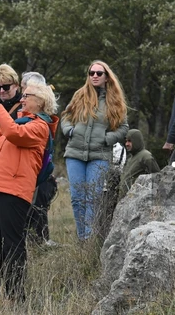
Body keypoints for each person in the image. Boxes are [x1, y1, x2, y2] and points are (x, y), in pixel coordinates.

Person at [0, 82, 59, 301]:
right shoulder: (19, 122)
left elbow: (13, 133)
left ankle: (14, 296)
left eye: (26, 96)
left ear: (40, 101)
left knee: (12, 244)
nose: (21, 99)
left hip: (14, 191)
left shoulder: (40, 127)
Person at [61, 61, 129, 240]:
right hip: (75, 153)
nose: (95, 76)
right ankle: (82, 237)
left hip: (99, 155)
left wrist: (107, 139)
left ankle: (90, 239)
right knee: (77, 198)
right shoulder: (80, 95)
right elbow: (66, 116)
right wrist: (69, 130)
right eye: (91, 73)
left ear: (107, 77)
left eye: (99, 73)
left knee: (93, 198)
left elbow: (123, 128)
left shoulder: (115, 100)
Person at [21, 71, 59, 246]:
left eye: (25, 91)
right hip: (27, 173)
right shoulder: (24, 112)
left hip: (37, 174)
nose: (22, 96)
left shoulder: (41, 121)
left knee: (37, 209)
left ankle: (39, 242)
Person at [119, 129, 160, 198]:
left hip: (136, 200)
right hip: (124, 201)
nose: (126, 144)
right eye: (126, 141)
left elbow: (158, 177)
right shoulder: (130, 158)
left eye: (129, 141)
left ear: (136, 141)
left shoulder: (146, 156)